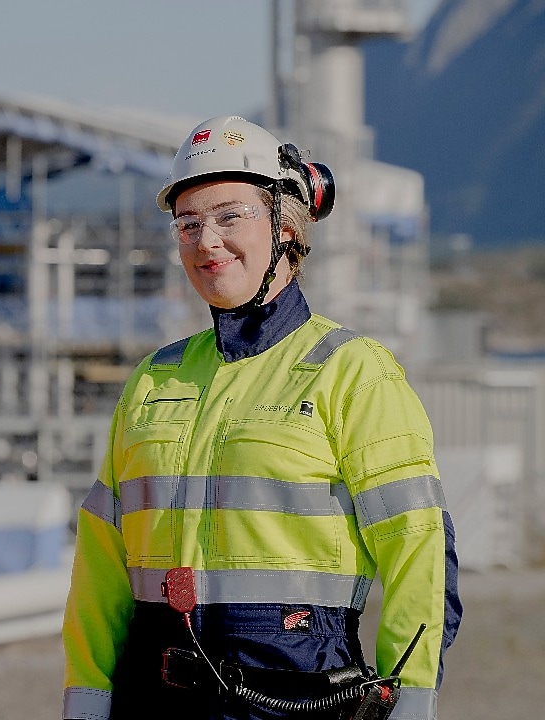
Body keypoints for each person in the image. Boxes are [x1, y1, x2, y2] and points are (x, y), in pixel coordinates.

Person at [61, 116, 461, 720]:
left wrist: (408, 701)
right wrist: (87, 697)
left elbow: (420, 551)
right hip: (154, 702)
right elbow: (100, 563)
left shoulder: (353, 373)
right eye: (188, 222)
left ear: (286, 227)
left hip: (299, 697)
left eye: (230, 215)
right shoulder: (153, 380)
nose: (206, 240)